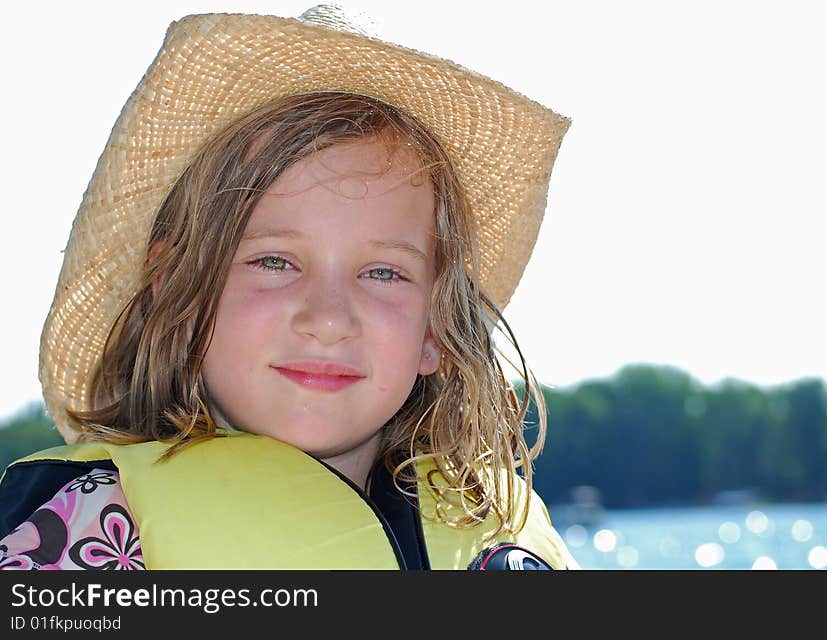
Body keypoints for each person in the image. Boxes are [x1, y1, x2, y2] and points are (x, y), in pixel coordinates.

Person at [0, 6, 576, 570]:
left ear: (436, 329)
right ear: (175, 289)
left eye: (383, 273)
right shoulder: (91, 518)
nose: (328, 318)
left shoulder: (505, 534)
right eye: (274, 261)